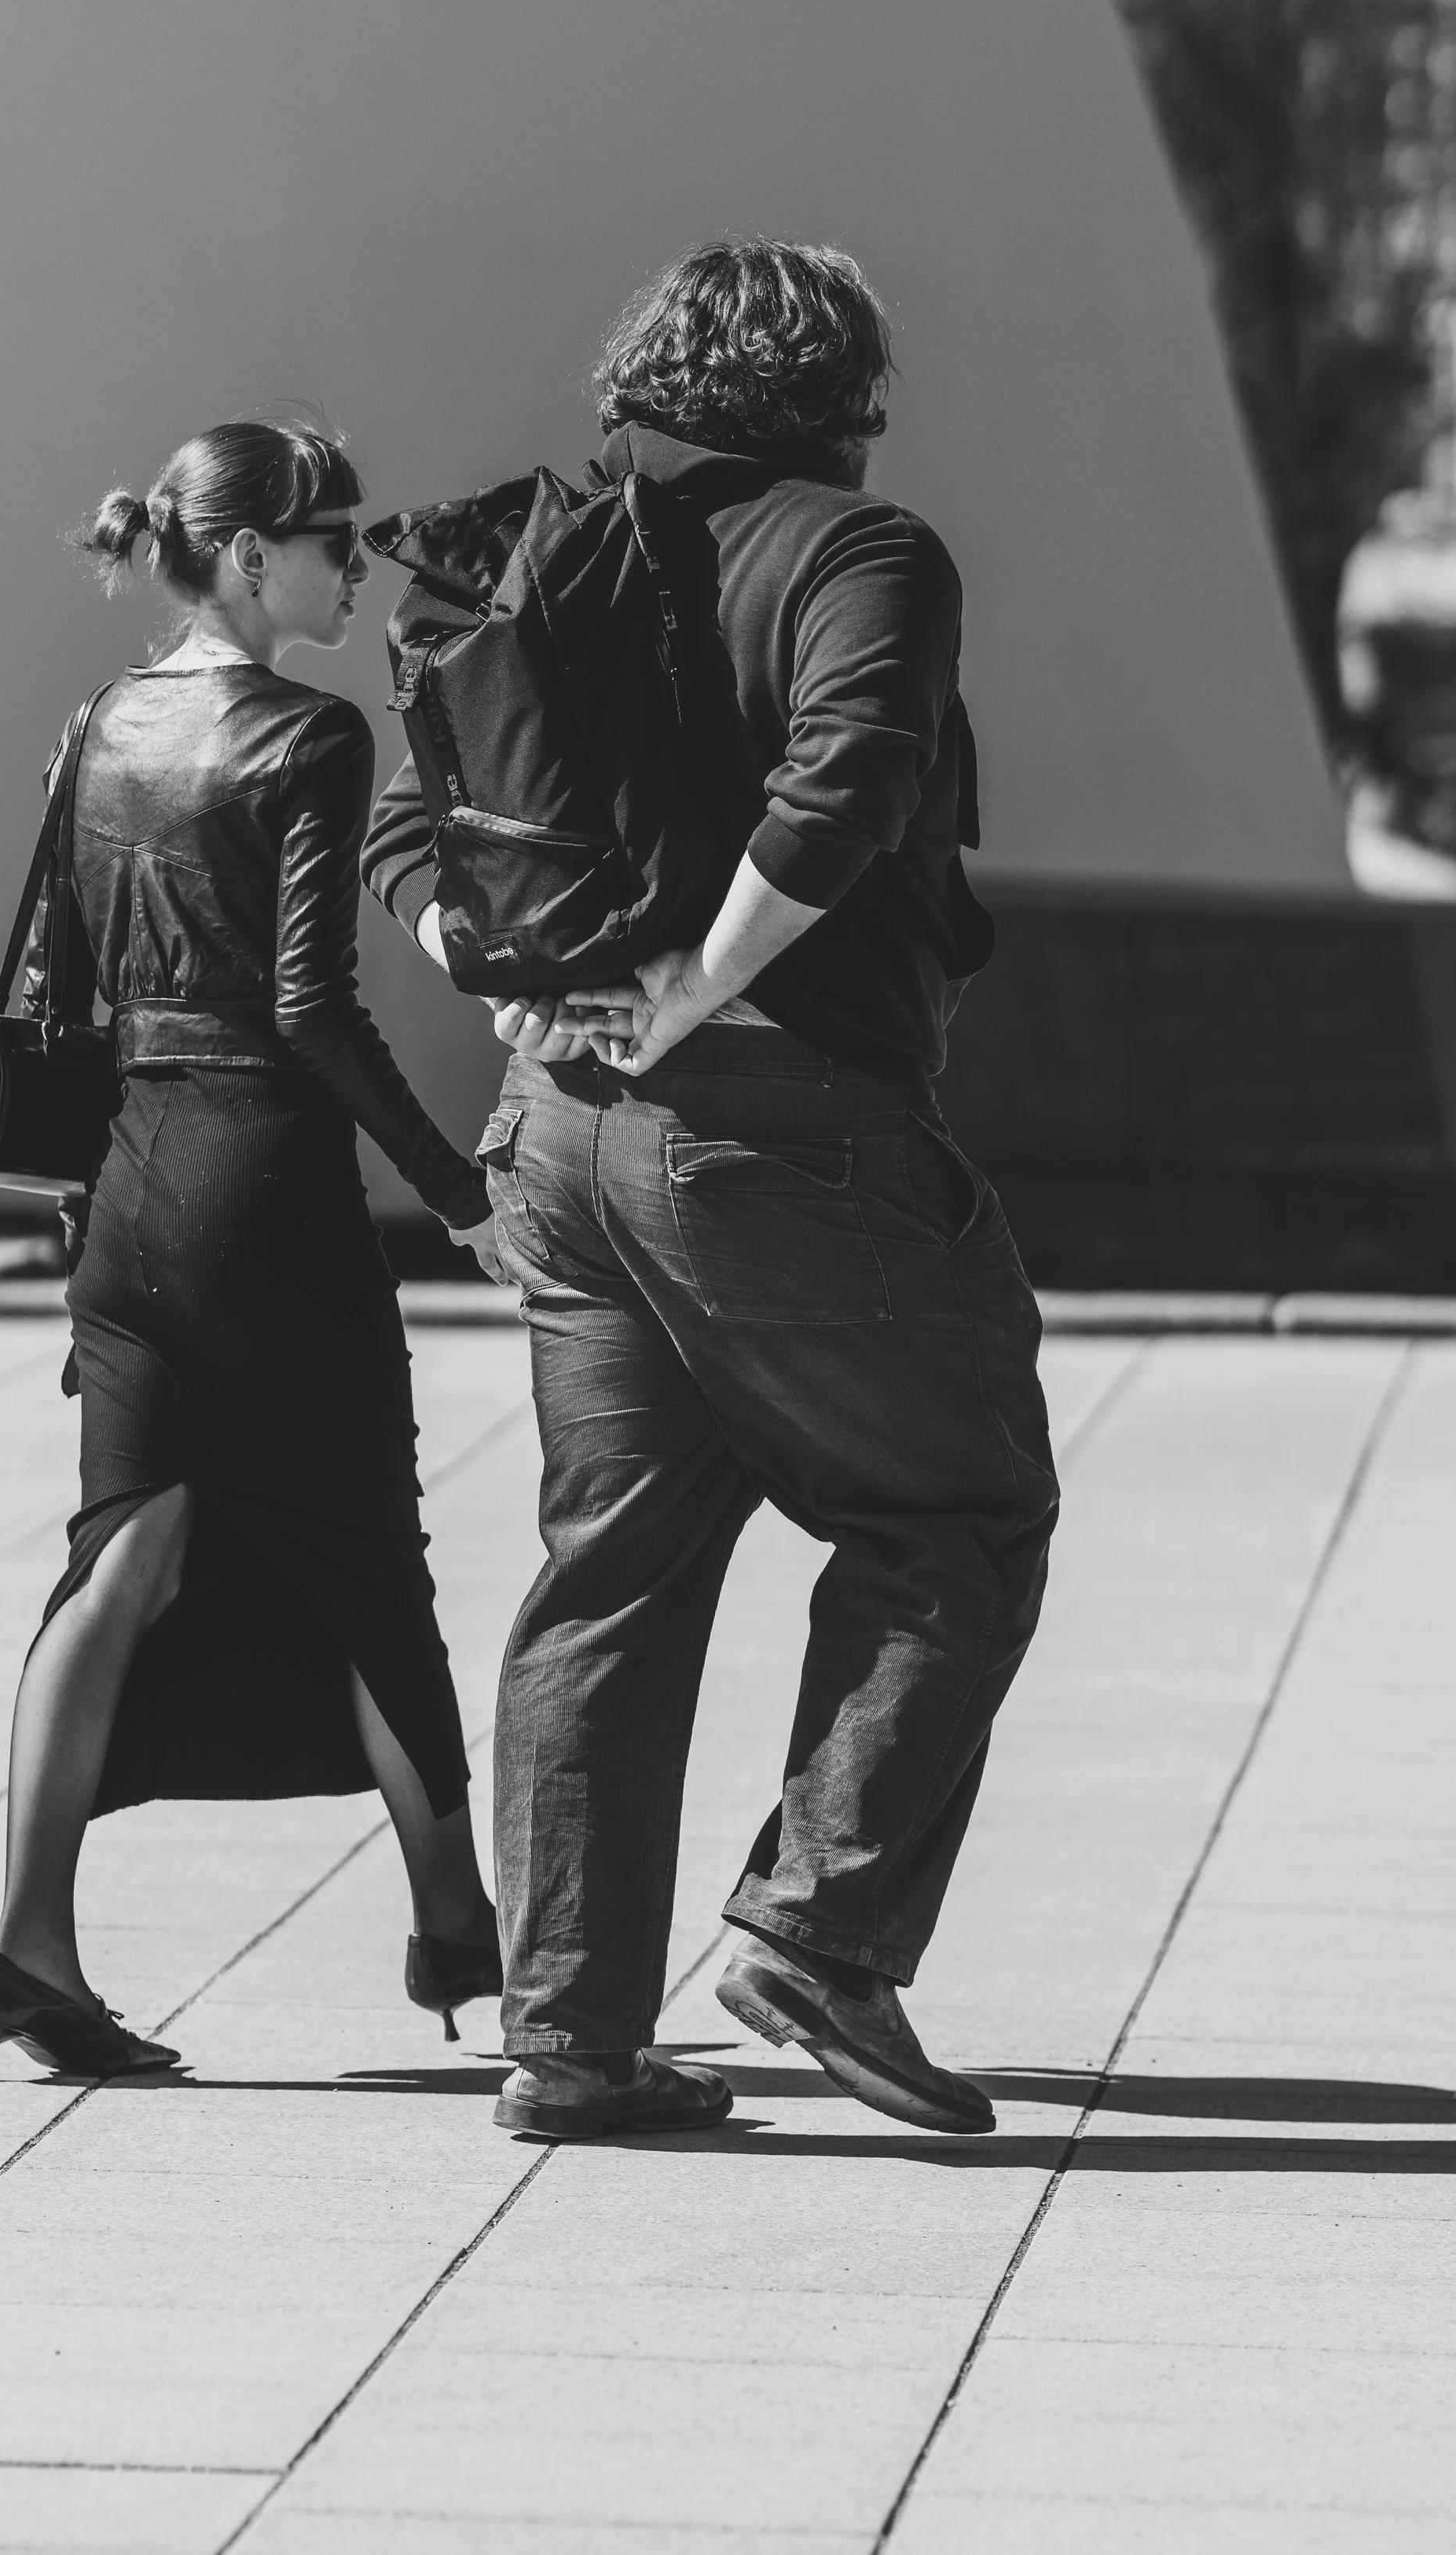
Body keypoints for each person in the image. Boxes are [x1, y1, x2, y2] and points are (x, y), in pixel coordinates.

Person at [364, 241, 1058, 2142]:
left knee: (611, 1567)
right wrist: (689, 988)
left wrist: (506, 976)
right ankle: (819, 1939)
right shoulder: (858, 556)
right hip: (772, 1127)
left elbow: (407, 831)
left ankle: (567, 2041)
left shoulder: (541, 544)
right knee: (962, 1515)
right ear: (836, 388)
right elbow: (840, 792)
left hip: (555, 1133)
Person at [0, 420, 504, 2080]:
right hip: (264, 1192)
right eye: (336, 538)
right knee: (363, 1559)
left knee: (116, 1557)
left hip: (126, 1202)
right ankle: (464, 1936)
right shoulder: (309, 737)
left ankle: (27, 1955)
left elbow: (51, 984)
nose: (355, 564)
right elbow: (307, 1009)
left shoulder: (99, 726)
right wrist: (457, 1189)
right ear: (256, 553)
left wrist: (82, 1218)